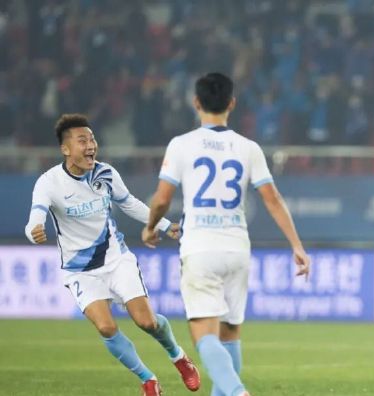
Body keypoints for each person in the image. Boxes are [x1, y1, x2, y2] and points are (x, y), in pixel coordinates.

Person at [142, 72, 310, 396]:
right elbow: (273, 199)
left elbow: (162, 198)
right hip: (237, 249)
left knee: (203, 335)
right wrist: (297, 246)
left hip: (200, 249)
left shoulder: (181, 145)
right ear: (231, 103)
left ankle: (236, 391)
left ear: (196, 103)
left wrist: (150, 227)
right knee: (230, 332)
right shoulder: (248, 148)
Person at [24, 114, 200, 396]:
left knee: (147, 322)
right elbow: (36, 214)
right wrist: (33, 229)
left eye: (92, 139)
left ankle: (178, 356)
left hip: (116, 259)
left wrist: (164, 225)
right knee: (106, 327)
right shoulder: (49, 182)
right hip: (79, 269)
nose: (91, 145)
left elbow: (128, 202)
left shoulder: (104, 173)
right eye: (83, 140)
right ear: (66, 149)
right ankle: (148, 380)